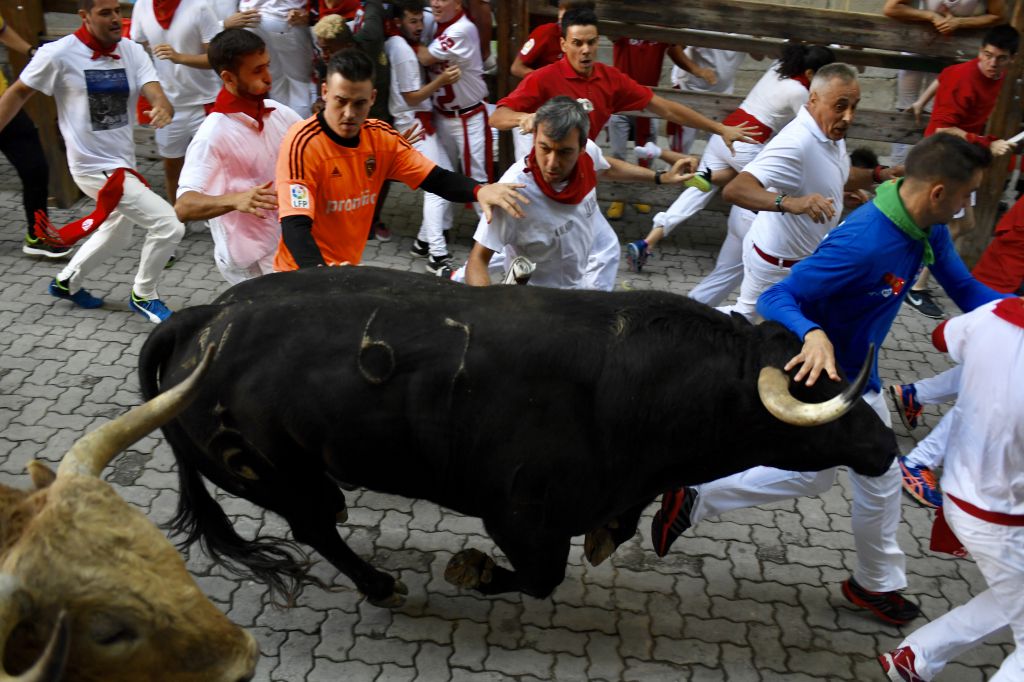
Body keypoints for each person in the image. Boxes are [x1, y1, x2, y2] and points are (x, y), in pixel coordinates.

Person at [652, 133, 1007, 627]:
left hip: (860, 371)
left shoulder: (927, 228)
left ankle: (696, 496)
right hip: (820, 371)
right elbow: (779, 298)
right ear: (938, 193)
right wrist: (813, 334)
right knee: (881, 470)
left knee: (814, 474)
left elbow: (966, 289)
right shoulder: (864, 241)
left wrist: (1016, 314)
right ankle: (874, 584)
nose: (968, 207)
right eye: (967, 195)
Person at [492, 7, 755, 291]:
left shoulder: (610, 79)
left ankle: (591, 313)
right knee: (522, 248)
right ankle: (470, 279)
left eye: (591, 42)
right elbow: (498, 116)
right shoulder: (544, 78)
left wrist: (721, 129)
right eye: (577, 43)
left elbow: (665, 108)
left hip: (580, 176)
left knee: (602, 250)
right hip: (542, 181)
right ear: (563, 44)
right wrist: (524, 118)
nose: (585, 50)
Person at [0, 0, 183, 323]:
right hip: (92, 167)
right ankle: (144, 294)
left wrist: (162, 106)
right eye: (105, 13)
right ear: (84, 16)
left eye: (117, 11)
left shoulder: (131, 50)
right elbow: (17, 93)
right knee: (168, 224)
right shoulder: (57, 54)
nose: (116, 19)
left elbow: (154, 89)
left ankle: (67, 281)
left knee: (119, 230)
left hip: (123, 163)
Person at [878, 297, 1024, 682]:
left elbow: (942, 336)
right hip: (1001, 517)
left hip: (963, 496)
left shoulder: (995, 313)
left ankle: (917, 657)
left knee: (1015, 590)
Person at [273, 48, 526, 271]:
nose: (349, 114)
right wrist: (320, 276)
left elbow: (435, 179)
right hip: (300, 274)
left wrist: (479, 191)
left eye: (359, 103)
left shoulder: (382, 138)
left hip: (344, 272)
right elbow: (295, 224)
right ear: (325, 92)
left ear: (372, 98)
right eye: (341, 101)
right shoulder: (302, 142)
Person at [710, 63, 899, 321]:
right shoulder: (796, 143)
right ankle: (683, 326)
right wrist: (792, 203)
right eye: (841, 106)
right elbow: (736, 190)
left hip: (801, 261)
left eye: (855, 106)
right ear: (814, 99)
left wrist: (878, 175)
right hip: (776, 265)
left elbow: (840, 173)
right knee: (746, 322)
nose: (849, 117)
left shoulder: (830, 132)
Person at [625, 44, 836, 275]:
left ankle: (647, 242)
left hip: (725, 134)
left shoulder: (778, 68)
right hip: (748, 142)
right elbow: (812, 129)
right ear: (810, 74)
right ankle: (775, 256)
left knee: (699, 190)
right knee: (775, 193)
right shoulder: (799, 92)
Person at [457, 96, 697, 289]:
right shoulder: (513, 193)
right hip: (534, 307)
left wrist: (661, 177)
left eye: (564, 153)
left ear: (582, 148)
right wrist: (490, 312)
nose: (551, 163)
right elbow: (478, 260)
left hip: (578, 294)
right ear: (534, 139)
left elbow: (609, 168)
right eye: (544, 149)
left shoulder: (588, 156)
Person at [903, 24, 1019, 319]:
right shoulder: (967, 78)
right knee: (951, 225)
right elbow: (943, 128)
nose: (992, 64)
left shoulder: (985, 74)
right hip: (944, 158)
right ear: (980, 51)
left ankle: (916, 278)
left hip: (959, 155)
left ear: (1011, 60)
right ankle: (916, 288)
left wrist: (920, 101)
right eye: (987, 55)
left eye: (1000, 58)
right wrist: (988, 144)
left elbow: (943, 78)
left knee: (963, 224)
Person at [175, 29, 301, 284]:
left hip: (284, 249)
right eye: (257, 71)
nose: (268, 77)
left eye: (267, 66)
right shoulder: (212, 135)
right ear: (228, 77)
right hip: (248, 265)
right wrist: (235, 200)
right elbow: (183, 206)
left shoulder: (280, 113)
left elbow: (318, 142)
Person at [386, 0, 463, 273]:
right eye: (413, 21)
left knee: (447, 175)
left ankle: (422, 242)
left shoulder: (397, 42)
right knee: (437, 189)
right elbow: (411, 97)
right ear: (399, 21)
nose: (419, 27)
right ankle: (437, 257)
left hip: (418, 122)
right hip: (414, 125)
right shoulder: (402, 50)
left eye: (420, 20)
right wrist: (441, 82)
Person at [883, 0, 1008, 166]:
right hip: (919, 45)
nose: (994, 63)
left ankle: (924, 164)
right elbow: (891, 8)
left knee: (937, 116)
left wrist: (960, 22)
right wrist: (931, 16)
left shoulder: (971, 71)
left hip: (956, 52)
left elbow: (999, 15)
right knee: (906, 109)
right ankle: (898, 167)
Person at [414, 0, 491, 258]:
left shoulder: (461, 29)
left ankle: (494, 244)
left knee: (477, 179)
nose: (435, 3)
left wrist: (401, 38)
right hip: (442, 116)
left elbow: (425, 57)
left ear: (458, 3)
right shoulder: (434, 23)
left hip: (468, 117)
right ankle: (428, 238)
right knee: (442, 176)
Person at [605, 38, 713, 221]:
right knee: (617, 153)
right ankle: (618, 197)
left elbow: (677, 47)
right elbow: (612, 33)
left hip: (647, 102)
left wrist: (697, 69)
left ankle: (642, 193)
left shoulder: (658, 31)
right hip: (619, 102)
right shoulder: (626, 28)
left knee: (646, 152)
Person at [312, 3, 394, 242]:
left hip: (378, 118)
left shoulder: (369, 39)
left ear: (347, 45)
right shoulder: (326, 63)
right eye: (321, 49)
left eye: (328, 49)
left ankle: (373, 220)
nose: (324, 55)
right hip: (345, 126)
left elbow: (374, 10)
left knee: (381, 171)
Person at [130, 0, 222, 202]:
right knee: (172, 168)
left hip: (204, 102)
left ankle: (213, 220)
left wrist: (180, 57)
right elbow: (139, 49)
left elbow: (217, 58)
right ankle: (178, 219)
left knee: (211, 168)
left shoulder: (199, 7)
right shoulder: (142, 6)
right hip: (168, 106)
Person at [0, 18, 67, 260]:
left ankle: (37, 236)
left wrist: (30, 50)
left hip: (5, 106)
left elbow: (3, 30)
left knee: (36, 168)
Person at [666, 44, 750, 154]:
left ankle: (705, 170)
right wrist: (697, 70)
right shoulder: (701, 26)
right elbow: (673, 48)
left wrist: (758, 37)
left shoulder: (746, 28)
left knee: (718, 150)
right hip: (690, 91)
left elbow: (759, 56)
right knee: (680, 149)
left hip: (722, 95)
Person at [239, 0, 315, 117]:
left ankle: (283, 131)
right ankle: (299, 131)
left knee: (275, 82)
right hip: (282, 17)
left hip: (250, 19)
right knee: (299, 84)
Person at [509, 0, 594, 79]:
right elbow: (516, 68)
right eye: (560, 11)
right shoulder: (546, 32)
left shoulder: (588, 37)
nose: (561, 17)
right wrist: (548, 80)